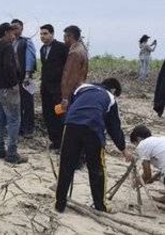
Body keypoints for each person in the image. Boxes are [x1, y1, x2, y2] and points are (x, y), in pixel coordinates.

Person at [55, 78, 133, 213]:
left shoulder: (81, 88)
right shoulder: (110, 98)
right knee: (97, 168)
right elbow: (114, 127)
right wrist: (123, 149)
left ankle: (59, 204)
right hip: (93, 128)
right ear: (113, 90)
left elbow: (71, 108)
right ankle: (100, 206)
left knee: (66, 165)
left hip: (71, 125)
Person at [0, 23, 27, 164]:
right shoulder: (8, 47)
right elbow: (9, 67)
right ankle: (12, 153)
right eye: (12, 33)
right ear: (5, 33)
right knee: (14, 119)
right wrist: (13, 83)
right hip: (8, 88)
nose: (14, 35)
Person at [39, 24, 69, 150]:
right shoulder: (42, 49)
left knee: (60, 115)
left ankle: (63, 142)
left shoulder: (62, 48)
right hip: (46, 88)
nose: (42, 36)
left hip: (58, 89)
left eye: (45, 33)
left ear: (52, 34)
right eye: (41, 34)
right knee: (48, 114)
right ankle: (55, 140)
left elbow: (67, 68)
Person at [10, 19, 37, 137]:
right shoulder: (10, 42)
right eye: (12, 27)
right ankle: (19, 128)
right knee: (16, 103)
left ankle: (29, 129)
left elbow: (30, 58)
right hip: (14, 76)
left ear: (21, 28)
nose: (14, 29)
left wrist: (27, 74)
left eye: (16, 27)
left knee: (28, 103)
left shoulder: (26, 41)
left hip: (26, 77)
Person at [130, 125, 165, 203]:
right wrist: (152, 178)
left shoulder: (142, 145)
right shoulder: (159, 140)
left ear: (138, 139)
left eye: (135, 144)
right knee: (161, 174)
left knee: (163, 176)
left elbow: (147, 175)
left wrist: (137, 182)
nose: (136, 147)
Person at [60, 25, 89, 113]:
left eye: (65, 36)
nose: (63, 39)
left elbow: (69, 77)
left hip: (72, 92)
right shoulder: (82, 50)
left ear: (70, 36)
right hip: (79, 89)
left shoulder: (74, 53)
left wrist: (65, 97)